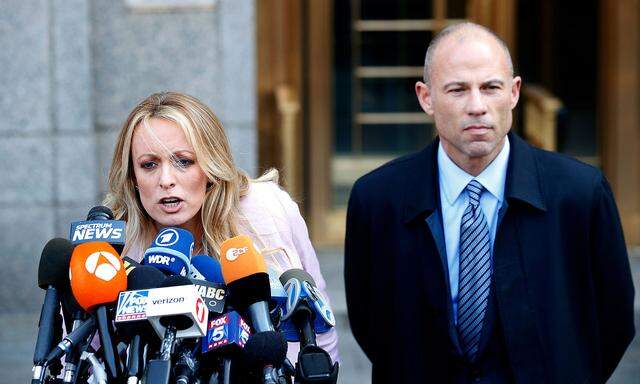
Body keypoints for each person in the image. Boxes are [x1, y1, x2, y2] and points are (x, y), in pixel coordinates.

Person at [344, 22, 634, 383]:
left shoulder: (579, 194)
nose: (477, 106)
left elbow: (615, 320)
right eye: (458, 89)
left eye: (490, 87)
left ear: (513, 93)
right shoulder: (378, 199)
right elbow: (371, 323)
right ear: (426, 97)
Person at [104, 91, 338, 363]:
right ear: (132, 176)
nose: (166, 180)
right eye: (149, 165)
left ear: (210, 165)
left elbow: (320, 334)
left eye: (183, 161)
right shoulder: (115, 242)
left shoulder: (267, 209)